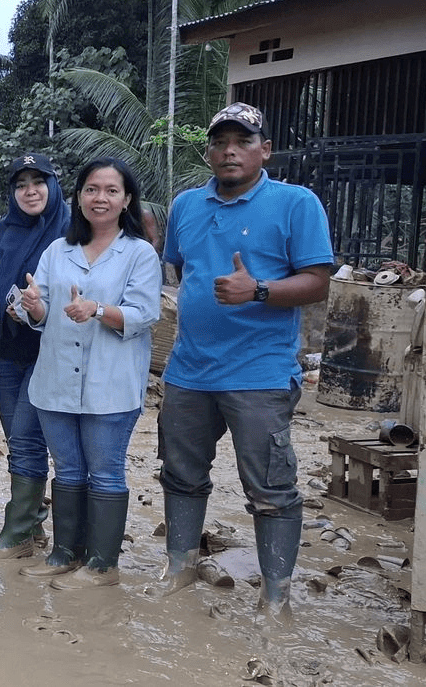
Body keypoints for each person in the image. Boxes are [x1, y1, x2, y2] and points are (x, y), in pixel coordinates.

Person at [157, 103, 332, 619]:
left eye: (243, 141)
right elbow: (178, 272)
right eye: (220, 142)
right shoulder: (186, 206)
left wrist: (257, 289)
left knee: (271, 487)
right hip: (188, 370)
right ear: (208, 150)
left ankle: (275, 596)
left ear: (265, 150)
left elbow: (318, 283)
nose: (230, 150)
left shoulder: (296, 203)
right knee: (181, 473)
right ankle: (179, 568)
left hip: (259, 373)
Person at [15, 158, 161, 589]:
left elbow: (144, 313)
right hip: (56, 379)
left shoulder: (138, 253)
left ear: (126, 200)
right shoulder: (58, 251)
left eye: (111, 191)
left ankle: (101, 566)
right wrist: (32, 307)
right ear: (78, 198)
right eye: (92, 190)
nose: (100, 198)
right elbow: (41, 309)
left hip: (110, 383)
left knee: (106, 472)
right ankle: (64, 554)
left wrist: (97, 309)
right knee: (69, 470)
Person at [0, 153, 71, 558]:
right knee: (19, 439)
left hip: (51, 352)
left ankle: (18, 532)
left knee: (25, 438)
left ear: (54, 186)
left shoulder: (72, 231)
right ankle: (33, 528)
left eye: (39, 181)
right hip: (6, 351)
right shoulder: (0, 232)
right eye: (21, 184)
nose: (30, 190)